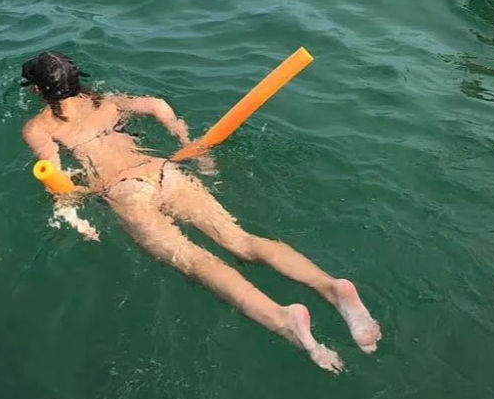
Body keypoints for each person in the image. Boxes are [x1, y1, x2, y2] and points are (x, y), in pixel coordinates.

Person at [19, 51, 381, 372]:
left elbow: (58, 182)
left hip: (125, 192)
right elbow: (157, 104)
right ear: (77, 79)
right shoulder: (108, 101)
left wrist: (74, 213)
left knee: (196, 262)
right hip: (165, 171)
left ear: (37, 90)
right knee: (241, 241)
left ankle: (283, 318)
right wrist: (185, 140)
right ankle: (330, 287)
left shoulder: (38, 128)